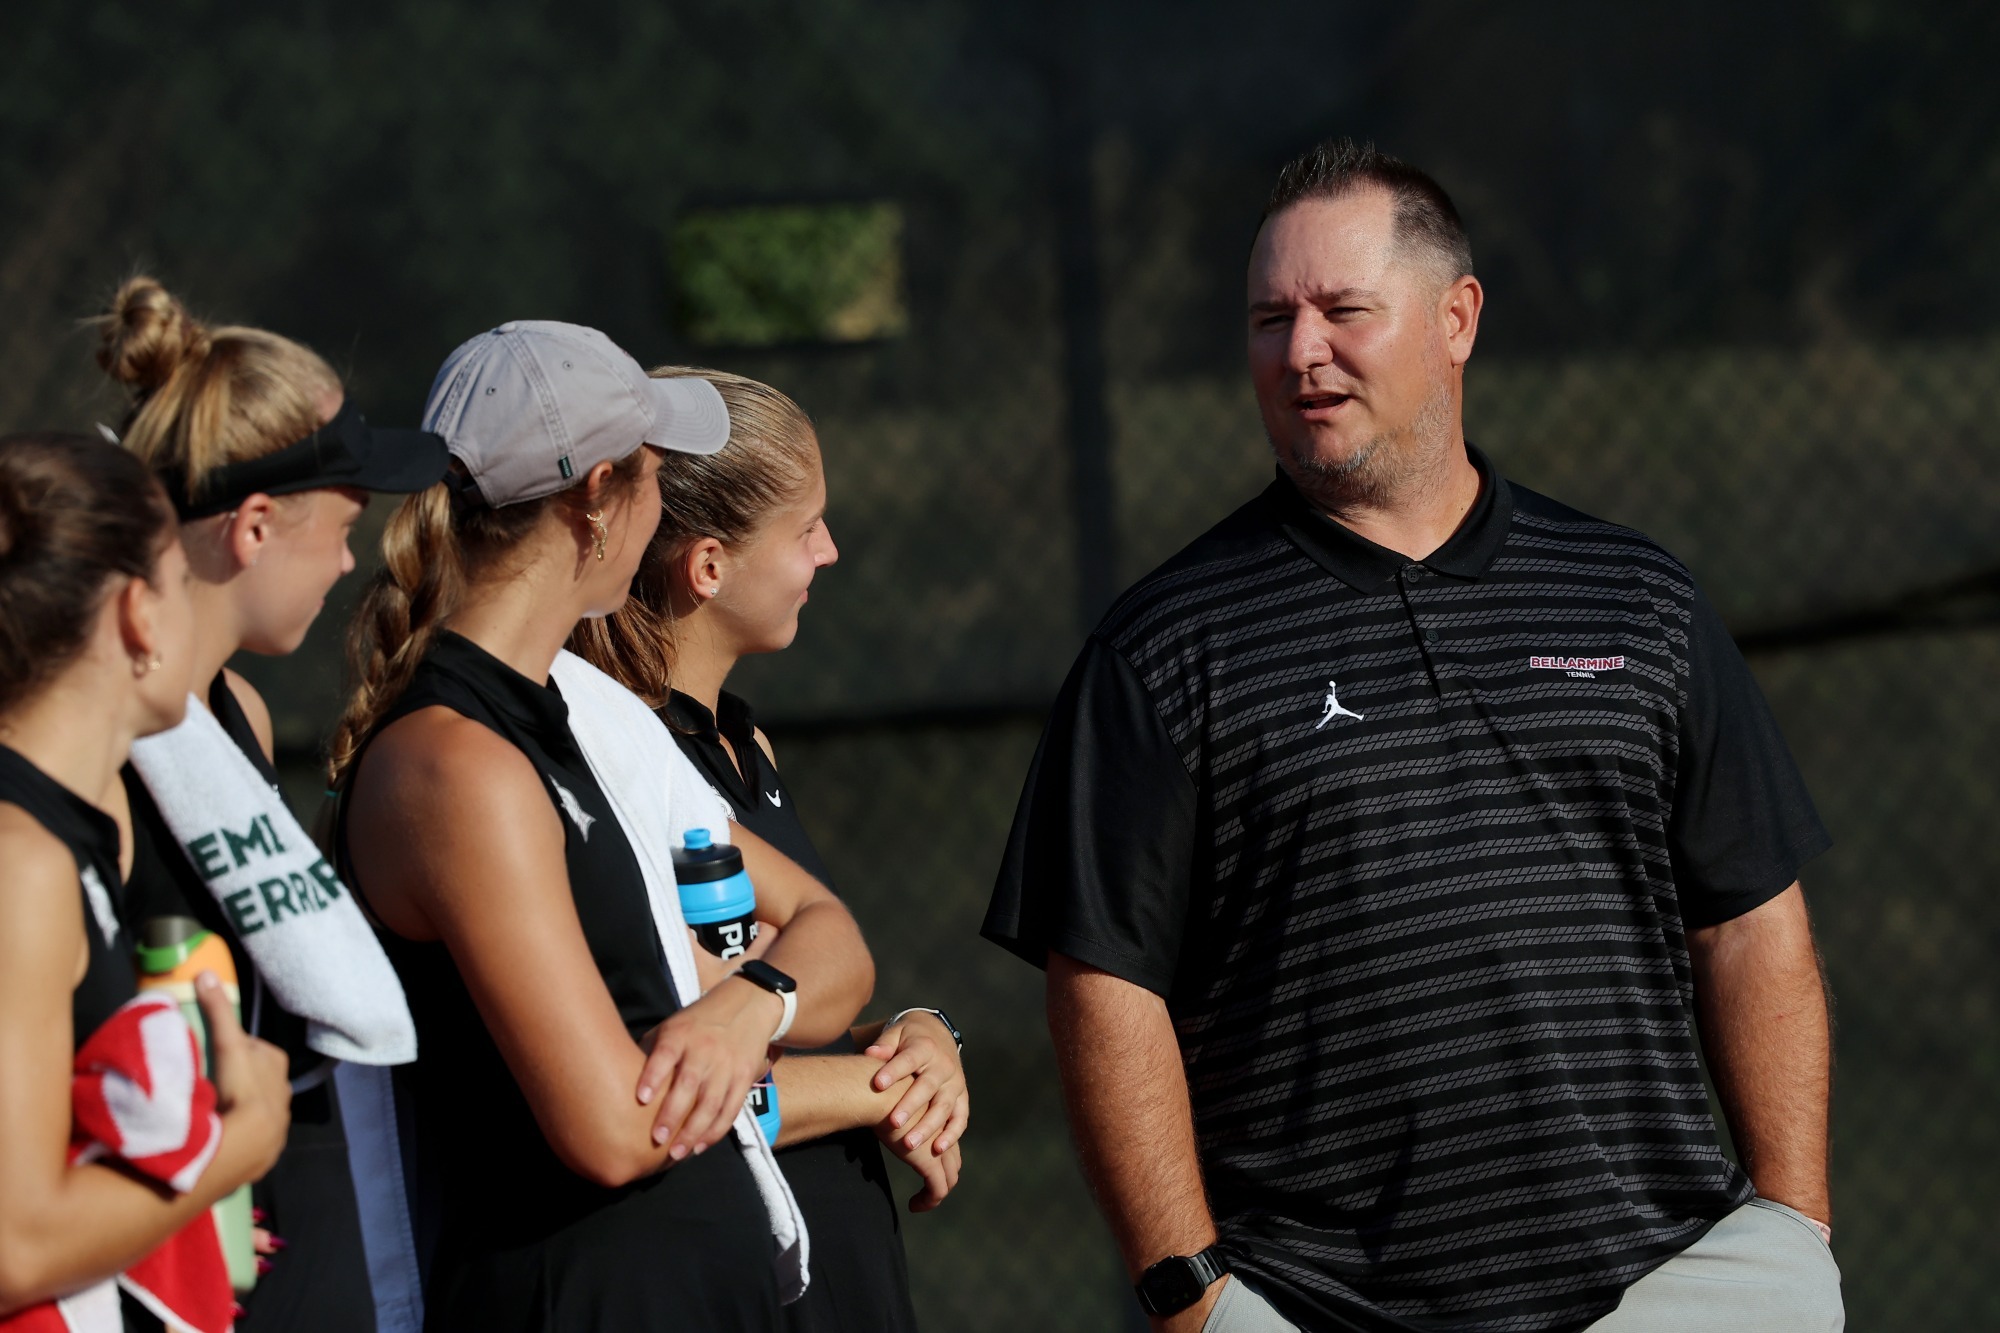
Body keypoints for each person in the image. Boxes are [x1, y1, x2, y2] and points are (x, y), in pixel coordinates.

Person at [983, 139, 1843, 1333]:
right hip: (1327, 1309)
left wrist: (1792, 1227)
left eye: (1342, 311)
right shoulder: (1161, 647)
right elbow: (1102, 987)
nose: (1300, 351)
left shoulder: (1635, 597)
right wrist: (1190, 1298)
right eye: (1268, 320)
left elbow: (1747, 918)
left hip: (1666, 1285)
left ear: (1456, 319)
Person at [330, 321, 876, 1330]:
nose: (663, 510)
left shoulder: (592, 723)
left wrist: (746, 1003)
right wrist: (788, 1054)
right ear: (596, 497)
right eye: (655, 475)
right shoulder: (453, 764)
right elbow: (614, 1127)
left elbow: (832, 938)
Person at [569, 366, 969, 1333]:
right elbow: (672, 1081)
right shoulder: (611, 768)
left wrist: (918, 1036)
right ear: (708, 567)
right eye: (807, 528)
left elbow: (777, 1008)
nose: (830, 552)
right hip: (731, 1280)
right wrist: (874, 1089)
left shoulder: (747, 741)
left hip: (844, 1264)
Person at [93, 276, 449, 1333]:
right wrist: (189, 1180)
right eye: (342, 527)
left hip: (271, 1243)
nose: (348, 562)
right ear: (252, 527)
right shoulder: (91, 742)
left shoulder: (234, 711)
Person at [0, 432, 292, 1319]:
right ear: (138, 613)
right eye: (181, 582)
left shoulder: (64, 834)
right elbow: (17, 1243)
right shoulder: (22, 862)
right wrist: (235, 1145)